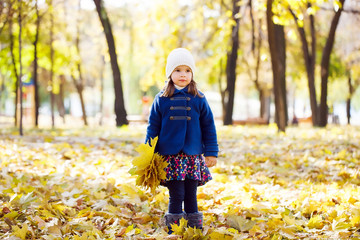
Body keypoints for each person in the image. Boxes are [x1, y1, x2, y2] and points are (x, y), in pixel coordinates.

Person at [145, 48, 219, 233]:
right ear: (170, 73)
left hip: (192, 156)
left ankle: (194, 227)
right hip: (171, 157)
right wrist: (148, 153)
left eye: (187, 70)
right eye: (178, 70)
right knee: (176, 194)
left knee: (191, 194)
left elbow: (208, 126)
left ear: (192, 73)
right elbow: (153, 127)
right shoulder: (161, 99)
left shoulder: (199, 98)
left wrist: (211, 152)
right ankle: (174, 229)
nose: (183, 75)